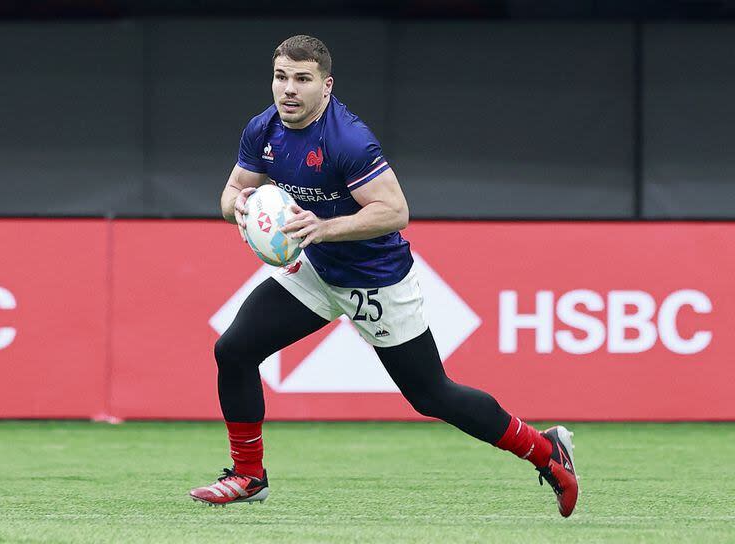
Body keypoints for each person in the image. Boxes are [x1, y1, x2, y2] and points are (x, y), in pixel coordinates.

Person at [189, 35, 579, 517]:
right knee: (234, 349)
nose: (288, 90)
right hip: (316, 270)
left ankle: (546, 450)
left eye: (302, 80)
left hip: (377, 280)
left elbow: (395, 211)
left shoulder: (347, 140)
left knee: (431, 395)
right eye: (281, 77)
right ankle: (249, 475)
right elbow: (231, 193)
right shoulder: (262, 130)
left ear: (326, 86)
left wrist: (324, 227)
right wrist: (240, 207)